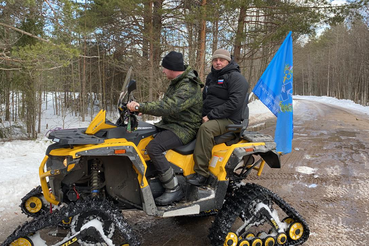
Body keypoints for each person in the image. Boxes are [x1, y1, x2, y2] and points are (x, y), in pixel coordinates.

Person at [127, 51, 203, 205]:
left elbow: (169, 106)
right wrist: (142, 108)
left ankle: (173, 188)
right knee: (143, 136)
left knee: (153, 147)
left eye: (164, 68)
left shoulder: (188, 86)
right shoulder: (178, 82)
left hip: (185, 127)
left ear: (172, 68)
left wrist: (141, 106)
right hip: (172, 124)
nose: (163, 71)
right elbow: (165, 105)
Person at [187, 49, 249, 186]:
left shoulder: (236, 78)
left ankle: (202, 173)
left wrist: (210, 116)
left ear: (228, 61)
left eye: (221, 60)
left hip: (229, 119)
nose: (218, 62)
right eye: (215, 60)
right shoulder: (211, 77)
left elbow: (235, 103)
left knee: (206, 129)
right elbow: (205, 99)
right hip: (211, 115)